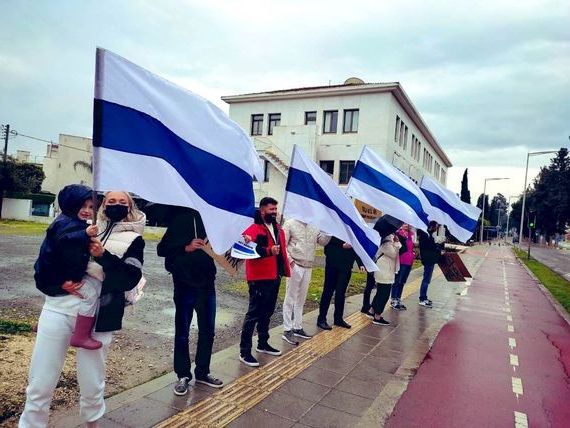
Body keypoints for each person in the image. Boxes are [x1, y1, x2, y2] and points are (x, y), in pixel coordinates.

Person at [20, 190, 145, 428]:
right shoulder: (74, 224)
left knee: (92, 381)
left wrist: (103, 256)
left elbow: (129, 278)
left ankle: (92, 423)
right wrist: (59, 283)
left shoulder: (134, 240)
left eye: (122, 202)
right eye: (110, 201)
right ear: (102, 205)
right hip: (57, 309)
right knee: (40, 380)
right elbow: (43, 266)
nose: (116, 205)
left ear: (130, 208)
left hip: (100, 317)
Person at [157, 207, 223, 395]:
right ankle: (183, 375)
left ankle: (203, 371)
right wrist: (186, 247)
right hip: (184, 284)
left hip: (207, 285)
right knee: (182, 333)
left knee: (208, 331)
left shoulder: (213, 221)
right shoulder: (181, 219)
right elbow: (162, 249)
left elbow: (224, 248)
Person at [33, 185, 102, 350]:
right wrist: (85, 234)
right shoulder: (68, 224)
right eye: (82, 205)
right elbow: (64, 240)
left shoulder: (68, 221)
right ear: (71, 204)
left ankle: (45, 326)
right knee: (91, 294)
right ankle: (81, 335)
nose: (87, 210)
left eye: (92, 207)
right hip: (59, 277)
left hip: (60, 276)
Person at [239, 197, 291, 367]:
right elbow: (248, 248)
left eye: (276, 209)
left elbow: (281, 250)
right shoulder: (253, 228)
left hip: (274, 275)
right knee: (253, 313)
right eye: (271, 210)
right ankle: (244, 351)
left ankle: (263, 343)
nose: (274, 212)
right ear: (262, 210)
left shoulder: (277, 228)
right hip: (258, 277)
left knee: (267, 311)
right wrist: (268, 250)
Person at [281, 218, 330, 345]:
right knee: (290, 298)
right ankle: (287, 329)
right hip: (295, 264)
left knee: (301, 299)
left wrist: (330, 230)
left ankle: (297, 327)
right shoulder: (290, 223)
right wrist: (290, 261)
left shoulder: (314, 224)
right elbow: (282, 245)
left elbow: (322, 241)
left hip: (308, 266)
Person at [317, 237, 365, 330]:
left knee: (341, 292)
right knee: (328, 291)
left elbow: (356, 245)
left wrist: (360, 263)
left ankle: (338, 318)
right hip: (333, 262)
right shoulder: (333, 225)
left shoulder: (351, 227)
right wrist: (342, 245)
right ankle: (321, 319)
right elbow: (327, 242)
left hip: (346, 264)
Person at [370, 234, 401, 325]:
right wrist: (397, 242)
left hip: (386, 271)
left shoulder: (387, 240)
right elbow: (394, 254)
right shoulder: (386, 242)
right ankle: (377, 317)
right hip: (384, 272)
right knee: (384, 294)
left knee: (380, 292)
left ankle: (372, 311)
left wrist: (395, 242)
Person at [417, 221, 445, 307]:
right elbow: (430, 248)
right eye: (436, 227)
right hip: (428, 260)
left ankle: (424, 297)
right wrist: (439, 252)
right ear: (431, 227)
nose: (436, 228)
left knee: (427, 280)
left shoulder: (428, 234)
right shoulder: (425, 235)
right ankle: (422, 299)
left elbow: (432, 247)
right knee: (426, 280)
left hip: (429, 260)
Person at [390, 224, 415, 310]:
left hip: (409, 261)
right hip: (401, 260)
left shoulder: (411, 235)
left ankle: (398, 299)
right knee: (397, 280)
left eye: (409, 224)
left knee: (403, 281)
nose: (407, 226)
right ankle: (393, 300)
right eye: (405, 224)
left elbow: (412, 247)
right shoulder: (398, 234)